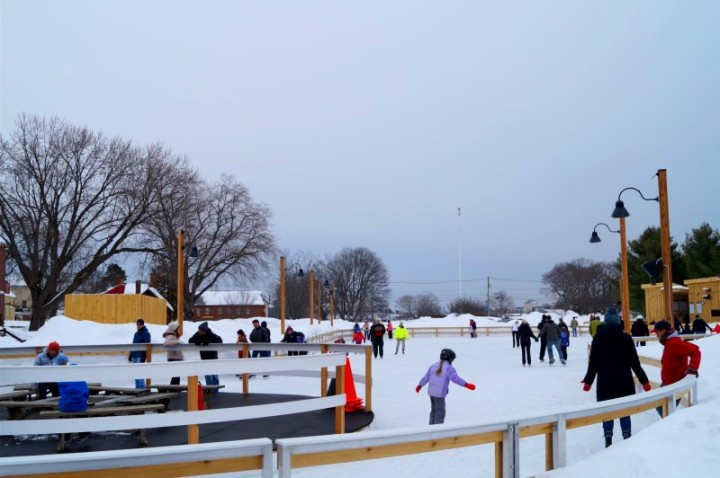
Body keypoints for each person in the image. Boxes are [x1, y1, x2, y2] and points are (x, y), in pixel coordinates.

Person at [582, 307, 651, 447]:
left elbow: (593, 363)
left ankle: (608, 438)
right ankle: (627, 436)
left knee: (607, 411)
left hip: (605, 383)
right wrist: (644, 381)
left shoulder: (598, 339)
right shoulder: (626, 338)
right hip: (623, 381)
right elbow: (635, 363)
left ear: (606, 321)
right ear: (618, 321)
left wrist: (588, 382)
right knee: (624, 411)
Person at [416, 348, 475, 425]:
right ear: (450, 358)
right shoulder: (449, 368)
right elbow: (455, 379)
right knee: (440, 412)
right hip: (439, 394)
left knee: (434, 410)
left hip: (431, 393)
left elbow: (425, 378)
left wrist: (420, 385)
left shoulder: (433, 366)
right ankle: (438, 431)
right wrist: (466, 384)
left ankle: (430, 428)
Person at [653, 320, 702, 387]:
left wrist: (692, 368)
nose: (657, 335)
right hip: (668, 384)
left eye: (657, 332)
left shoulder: (674, 343)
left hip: (674, 387)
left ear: (663, 331)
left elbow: (695, 351)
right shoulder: (669, 343)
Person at [188, 321, 223, 386]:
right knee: (207, 374)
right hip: (204, 358)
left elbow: (220, 340)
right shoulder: (197, 334)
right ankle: (209, 389)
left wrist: (208, 342)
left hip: (213, 357)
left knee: (214, 374)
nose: (199, 331)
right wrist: (198, 339)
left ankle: (216, 389)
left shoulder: (211, 334)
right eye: (199, 330)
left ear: (205, 331)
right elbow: (190, 340)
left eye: (201, 330)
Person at [130, 318, 151, 389]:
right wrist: (131, 353)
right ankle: (137, 386)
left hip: (140, 355)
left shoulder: (146, 333)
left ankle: (142, 387)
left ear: (143, 325)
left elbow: (147, 345)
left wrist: (144, 355)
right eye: (137, 324)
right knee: (135, 372)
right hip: (135, 354)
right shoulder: (136, 334)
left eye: (140, 324)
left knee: (139, 371)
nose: (138, 326)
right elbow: (133, 344)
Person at [162, 321, 184, 385]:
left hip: (175, 357)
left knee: (176, 375)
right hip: (174, 357)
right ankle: (174, 388)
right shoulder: (171, 335)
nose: (178, 329)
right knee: (176, 375)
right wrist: (177, 342)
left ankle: (174, 388)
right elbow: (166, 343)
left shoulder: (173, 334)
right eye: (177, 328)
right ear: (175, 328)